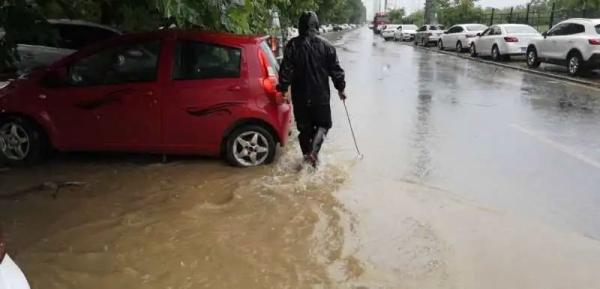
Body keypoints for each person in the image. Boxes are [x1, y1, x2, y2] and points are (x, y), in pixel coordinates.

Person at [277, 11, 346, 168]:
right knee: (324, 124)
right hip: (320, 97)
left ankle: (307, 160)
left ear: (300, 26)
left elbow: (285, 70)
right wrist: (341, 88)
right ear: (317, 26)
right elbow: (336, 70)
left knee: (304, 129)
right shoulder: (327, 46)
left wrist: (282, 88)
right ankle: (313, 154)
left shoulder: (292, 45)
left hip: (300, 97)